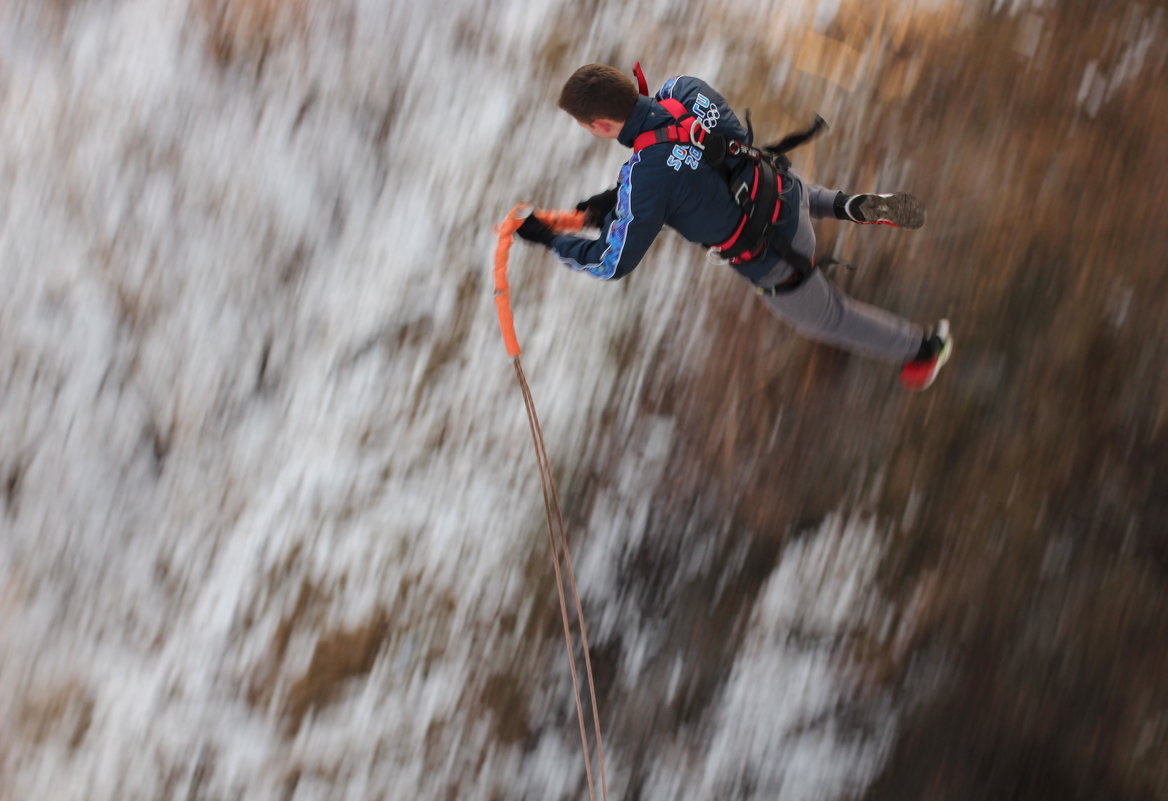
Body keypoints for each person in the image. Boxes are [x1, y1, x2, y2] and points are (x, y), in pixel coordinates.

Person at [515, 64, 952, 390]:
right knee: (767, 183)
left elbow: (612, 262)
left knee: (829, 318)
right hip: (785, 192)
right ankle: (846, 204)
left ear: (601, 126)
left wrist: (552, 240)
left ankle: (924, 350)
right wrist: (609, 205)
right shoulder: (682, 89)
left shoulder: (644, 179)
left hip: (777, 258)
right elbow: (696, 161)